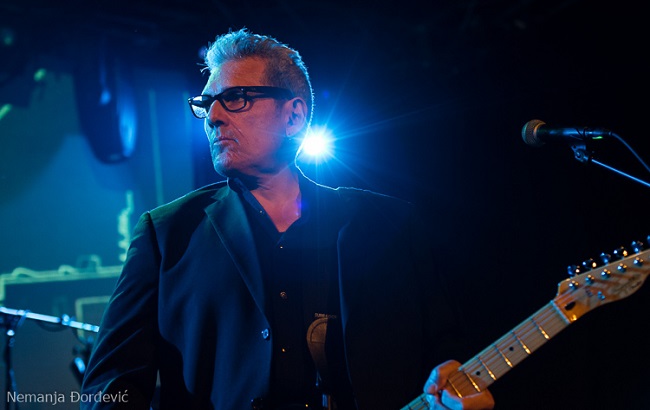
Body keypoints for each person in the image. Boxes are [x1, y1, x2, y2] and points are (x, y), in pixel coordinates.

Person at [80, 28, 495, 410]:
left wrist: (455, 379)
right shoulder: (167, 234)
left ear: (294, 116)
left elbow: (448, 348)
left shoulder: (389, 223)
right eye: (206, 104)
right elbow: (109, 384)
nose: (214, 116)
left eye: (236, 98)